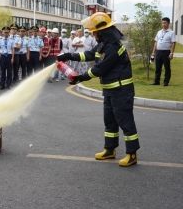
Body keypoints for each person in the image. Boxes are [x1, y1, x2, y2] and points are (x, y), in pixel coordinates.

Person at [57, 12, 140, 167]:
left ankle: (132, 154)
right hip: (110, 90)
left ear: (102, 31)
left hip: (121, 91)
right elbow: (89, 54)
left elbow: (100, 68)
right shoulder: (104, 44)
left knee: (125, 121)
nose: (93, 34)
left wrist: (80, 77)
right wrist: (68, 55)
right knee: (109, 122)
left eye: (94, 31)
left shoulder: (113, 47)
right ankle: (110, 150)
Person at [150, 17, 176, 86]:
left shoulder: (171, 33)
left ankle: (166, 81)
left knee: (167, 67)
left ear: (168, 23)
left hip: (166, 52)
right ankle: (156, 81)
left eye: (165, 23)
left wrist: (171, 53)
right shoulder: (159, 32)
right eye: (162, 23)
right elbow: (156, 42)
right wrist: (153, 52)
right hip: (158, 52)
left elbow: (173, 43)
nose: (163, 24)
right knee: (158, 67)